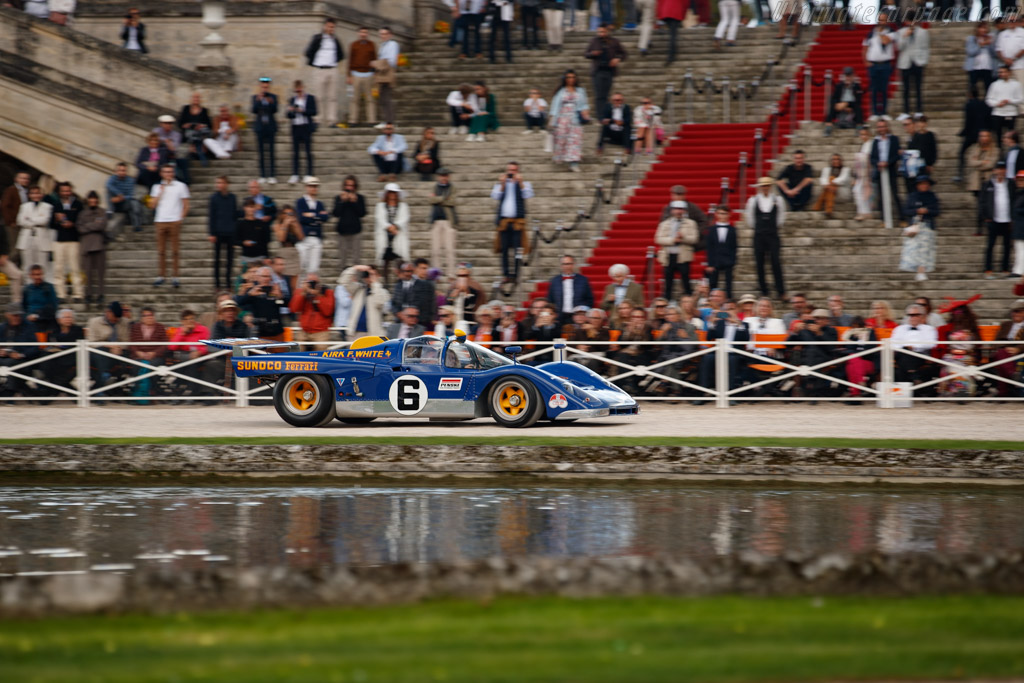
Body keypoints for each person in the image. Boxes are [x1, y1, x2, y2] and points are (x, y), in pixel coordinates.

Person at [490, 161, 534, 281]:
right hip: (504, 221)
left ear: (518, 171)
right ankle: (506, 273)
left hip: (517, 222)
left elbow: (528, 195)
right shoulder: (501, 184)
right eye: (510, 170)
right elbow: (495, 196)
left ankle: (516, 273)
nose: (511, 172)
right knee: (503, 248)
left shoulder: (524, 184)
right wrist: (503, 185)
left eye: (514, 170)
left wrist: (520, 183)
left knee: (517, 248)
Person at [745, 178, 787, 299]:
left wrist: (773, 227)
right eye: (763, 186)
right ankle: (764, 290)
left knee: (776, 262)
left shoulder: (778, 200)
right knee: (759, 263)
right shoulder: (753, 200)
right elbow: (750, 219)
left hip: (773, 234)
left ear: (770, 186)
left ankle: (781, 291)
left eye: (767, 186)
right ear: (759, 187)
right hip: (759, 235)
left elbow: (781, 217)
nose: (765, 188)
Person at [149, 163, 189, 288]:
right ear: (161, 173)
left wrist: (180, 219)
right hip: (160, 220)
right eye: (166, 172)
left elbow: (186, 205)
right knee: (161, 251)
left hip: (174, 221)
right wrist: (160, 192)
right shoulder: (156, 187)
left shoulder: (181, 186)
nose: (168, 174)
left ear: (174, 173)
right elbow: (151, 205)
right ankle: (161, 276)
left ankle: (175, 277)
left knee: (175, 251)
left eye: (170, 172)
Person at [899, 175, 941, 282]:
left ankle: (922, 271)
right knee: (913, 249)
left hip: (927, 226)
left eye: (926, 184)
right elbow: (906, 211)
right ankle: (915, 269)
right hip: (914, 225)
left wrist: (927, 211)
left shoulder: (932, 196)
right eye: (922, 184)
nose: (924, 186)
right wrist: (917, 211)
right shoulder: (912, 196)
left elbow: (937, 211)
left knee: (925, 249)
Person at [47, 181, 83, 302]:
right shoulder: (56, 204)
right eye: (63, 191)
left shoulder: (78, 204)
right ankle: (60, 294)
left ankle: (78, 293)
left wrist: (72, 224)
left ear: (71, 191)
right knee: (58, 268)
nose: (66, 193)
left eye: (68, 190)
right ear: (60, 192)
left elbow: (81, 221)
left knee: (75, 267)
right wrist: (58, 221)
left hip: (73, 240)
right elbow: (51, 223)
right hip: (59, 240)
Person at [655, 200, 699, 300]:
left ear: (684, 211)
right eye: (676, 209)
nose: (678, 211)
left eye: (680, 209)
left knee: (685, 282)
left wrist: (683, 238)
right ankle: (667, 302)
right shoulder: (664, 224)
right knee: (668, 283)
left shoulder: (691, 223)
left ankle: (688, 302)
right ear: (671, 211)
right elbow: (658, 238)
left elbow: (694, 238)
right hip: (668, 256)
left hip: (683, 256)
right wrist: (672, 240)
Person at [304, 18, 343, 127]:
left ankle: (332, 120)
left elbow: (340, 54)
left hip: (332, 69)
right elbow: (308, 52)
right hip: (319, 69)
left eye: (333, 27)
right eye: (330, 26)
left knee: (332, 97)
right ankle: (317, 119)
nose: (331, 29)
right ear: (325, 26)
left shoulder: (335, 40)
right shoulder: (317, 38)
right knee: (318, 96)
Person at [549, 70, 589, 172]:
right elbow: (555, 106)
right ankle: (558, 157)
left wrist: (585, 112)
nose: (571, 79)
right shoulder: (561, 91)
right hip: (562, 118)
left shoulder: (580, 91)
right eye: (568, 77)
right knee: (561, 139)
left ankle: (574, 163)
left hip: (575, 119)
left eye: (573, 77)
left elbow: (584, 104)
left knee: (575, 141)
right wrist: (551, 120)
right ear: (565, 79)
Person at [585, 23, 626, 119]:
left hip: (609, 71)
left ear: (607, 31)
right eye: (599, 32)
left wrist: (617, 59)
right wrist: (593, 53)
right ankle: (600, 116)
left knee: (606, 94)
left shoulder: (614, 42)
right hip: (598, 71)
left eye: (603, 31)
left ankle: (605, 114)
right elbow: (586, 54)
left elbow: (623, 54)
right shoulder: (594, 41)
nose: (601, 34)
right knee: (599, 94)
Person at [890, 303, 938, 385]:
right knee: (904, 352)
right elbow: (892, 343)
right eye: (911, 315)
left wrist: (915, 347)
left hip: (920, 355)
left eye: (916, 315)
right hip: (901, 354)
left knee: (906, 357)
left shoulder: (929, 329)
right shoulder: (900, 329)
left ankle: (908, 382)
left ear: (922, 316)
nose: (913, 317)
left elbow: (932, 343)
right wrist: (905, 347)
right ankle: (914, 376)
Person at [128, 306, 168, 401]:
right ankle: (139, 392)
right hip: (138, 356)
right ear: (142, 318)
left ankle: (152, 391)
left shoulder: (160, 327)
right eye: (146, 315)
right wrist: (138, 352)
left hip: (155, 356)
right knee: (136, 366)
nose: (149, 317)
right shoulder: (135, 327)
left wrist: (154, 353)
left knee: (153, 366)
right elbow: (131, 344)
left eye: (151, 315)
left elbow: (165, 345)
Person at [0, 302, 39, 400]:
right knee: (8, 363)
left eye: (19, 315)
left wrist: (21, 354)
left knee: (12, 364)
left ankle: (9, 393)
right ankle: (16, 390)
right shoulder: (2, 327)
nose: (17, 318)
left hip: (23, 361)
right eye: (14, 315)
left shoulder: (29, 327)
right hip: (4, 357)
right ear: (7, 315)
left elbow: (35, 348)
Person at [235, 266, 286, 340]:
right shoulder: (253, 291)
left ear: (271, 278)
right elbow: (238, 303)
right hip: (259, 332)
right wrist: (250, 295)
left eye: (268, 276)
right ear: (257, 277)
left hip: (276, 331)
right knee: (259, 352)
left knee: (281, 351)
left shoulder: (275, 290)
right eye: (263, 276)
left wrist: (280, 296)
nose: (266, 279)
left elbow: (286, 304)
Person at [982, 160, 1014, 278]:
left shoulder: (1010, 184)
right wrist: (986, 216)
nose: (1001, 171)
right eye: (999, 168)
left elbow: (1014, 199)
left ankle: (1005, 268)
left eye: (1003, 168)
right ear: (994, 170)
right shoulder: (988, 184)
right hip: (993, 219)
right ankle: (988, 269)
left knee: (1007, 246)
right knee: (990, 245)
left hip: (1007, 219)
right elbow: (982, 202)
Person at [289, 272, 335, 350]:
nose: (312, 284)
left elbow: (328, 311)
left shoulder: (327, 292)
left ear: (319, 283)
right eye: (310, 282)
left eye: (314, 282)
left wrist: (317, 296)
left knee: (321, 353)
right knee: (298, 351)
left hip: (321, 331)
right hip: (304, 330)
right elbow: (294, 309)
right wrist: (303, 293)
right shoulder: (300, 292)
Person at [76, 191, 108, 304]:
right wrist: (93, 225)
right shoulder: (82, 213)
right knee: (87, 272)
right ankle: (88, 294)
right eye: (91, 200)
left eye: (95, 199)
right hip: (86, 246)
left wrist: (88, 226)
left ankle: (100, 294)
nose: (93, 202)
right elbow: (79, 228)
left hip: (99, 245)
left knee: (100, 272)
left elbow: (101, 225)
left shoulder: (102, 212)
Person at [15, 186, 53, 282]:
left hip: (41, 239)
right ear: (30, 195)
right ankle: (29, 287)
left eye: (38, 193)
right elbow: (20, 221)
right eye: (33, 193)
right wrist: (36, 221)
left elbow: (44, 220)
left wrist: (29, 219)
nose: (36, 195)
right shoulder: (24, 206)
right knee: (27, 265)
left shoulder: (47, 206)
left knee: (43, 265)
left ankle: (43, 288)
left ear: (41, 194)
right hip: (27, 238)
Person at [339, 265, 389, 337]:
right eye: (367, 275)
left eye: (372, 274)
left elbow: (379, 303)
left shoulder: (383, 292)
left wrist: (375, 283)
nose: (369, 277)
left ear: (378, 276)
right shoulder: (358, 289)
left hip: (373, 334)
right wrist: (355, 268)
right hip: (355, 333)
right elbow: (344, 281)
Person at [956, 85, 993, 184]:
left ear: (969, 95)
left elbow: (968, 121)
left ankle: (960, 174)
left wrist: (963, 132)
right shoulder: (984, 104)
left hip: (972, 134)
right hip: (983, 133)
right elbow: (989, 119)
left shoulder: (969, 105)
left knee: (961, 152)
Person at [862, 12, 895, 119]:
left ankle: (884, 112)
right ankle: (875, 113)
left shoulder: (891, 32)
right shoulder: (871, 34)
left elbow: (885, 41)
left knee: (884, 89)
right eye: (880, 20)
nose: (882, 22)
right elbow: (865, 47)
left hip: (885, 65)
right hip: (874, 65)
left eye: (884, 20)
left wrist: (880, 32)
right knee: (874, 89)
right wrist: (866, 61)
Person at [207, 175, 237, 291]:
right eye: (217, 182)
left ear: (226, 184)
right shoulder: (214, 198)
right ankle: (217, 284)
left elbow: (235, 214)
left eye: (221, 182)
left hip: (230, 232)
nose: (219, 185)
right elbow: (211, 216)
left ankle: (228, 283)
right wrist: (211, 233)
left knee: (230, 259)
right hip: (218, 232)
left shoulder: (232, 197)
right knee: (217, 259)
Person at [428, 168, 459, 277]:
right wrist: (443, 198)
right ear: (438, 176)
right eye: (442, 175)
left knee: (449, 249)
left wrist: (438, 199)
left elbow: (453, 201)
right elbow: (430, 200)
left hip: (448, 221)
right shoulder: (435, 187)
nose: (444, 177)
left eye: (445, 175)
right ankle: (437, 273)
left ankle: (451, 272)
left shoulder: (452, 187)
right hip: (436, 220)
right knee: (435, 250)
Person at [968, 130, 999, 237]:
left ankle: (992, 228)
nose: (983, 138)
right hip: (977, 182)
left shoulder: (995, 150)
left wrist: (979, 163)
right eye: (982, 136)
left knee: (990, 205)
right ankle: (979, 228)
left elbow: (991, 164)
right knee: (979, 206)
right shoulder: (975, 148)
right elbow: (971, 162)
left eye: (986, 136)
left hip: (989, 181)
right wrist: (983, 162)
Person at [870, 118, 901, 226]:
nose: (881, 129)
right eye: (879, 127)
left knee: (895, 194)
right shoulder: (875, 141)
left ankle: (901, 218)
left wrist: (888, 162)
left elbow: (897, 154)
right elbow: (872, 157)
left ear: (887, 127)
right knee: (881, 196)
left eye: (883, 126)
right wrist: (878, 163)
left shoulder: (894, 139)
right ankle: (884, 219)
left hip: (891, 169)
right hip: (880, 170)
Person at [548, 254, 594, 326]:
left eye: (569, 264)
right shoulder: (554, 281)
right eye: (564, 264)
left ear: (573, 264)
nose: (566, 266)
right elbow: (550, 300)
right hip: (559, 317)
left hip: (577, 317)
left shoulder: (583, 280)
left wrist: (582, 313)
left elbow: (590, 299)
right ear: (561, 266)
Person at [333, 175, 367, 272]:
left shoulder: (360, 198)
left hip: (356, 231)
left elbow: (362, 213)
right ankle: (342, 282)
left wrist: (354, 202)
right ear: (344, 186)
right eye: (347, 185)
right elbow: (335, 213)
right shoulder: (338, 198)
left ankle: (358, 281)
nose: (349, 188)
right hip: (342, 231)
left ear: (355, 187)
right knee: (342, 259)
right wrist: (342, 202)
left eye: (352, 185)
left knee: (356, 259)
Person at [375, 183, 410, 275]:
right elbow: (380, 218)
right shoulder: (380, 206)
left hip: (398, 234)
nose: (392, 195)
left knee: (400, 260)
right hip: (385, 235)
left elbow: (404, 218)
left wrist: (396, 226)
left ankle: (400, 280)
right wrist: (389, 227)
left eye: (394, 193)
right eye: (390, 193)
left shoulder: (403, 206)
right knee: (385, 260)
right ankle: (386, 283)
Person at [896, 17, 929, 116]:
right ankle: (906, 111)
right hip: (905, 63)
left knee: (918, 88)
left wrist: (924, 61)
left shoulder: (923, 32)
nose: (911, 23)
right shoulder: (901, 32)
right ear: (907, 21)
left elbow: (926, 48)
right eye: (910, 20)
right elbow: (899, 47)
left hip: (918, 62)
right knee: (906, 89)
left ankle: (919, 111)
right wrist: (905, 36)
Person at [286, 80, 317, 184]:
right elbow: (288, 116)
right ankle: (295, 174)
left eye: (300, 87)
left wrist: (302, 111)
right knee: (295, 152)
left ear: (303, 87)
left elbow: (314, 111)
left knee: (308, 151)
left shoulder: (310, 98)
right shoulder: (292, 99)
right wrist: (291, 110)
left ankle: (309, 173)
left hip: (306, 127)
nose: (298, 90)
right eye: (297, 88)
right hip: (295, 127)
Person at [296, 177, 327, 276]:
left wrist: (311, 215)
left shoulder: (320, 204)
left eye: (315, 186)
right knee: (301, 266)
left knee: (313, 268)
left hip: (316, 237)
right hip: (304, 237)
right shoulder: (300, 202)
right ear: (306, 187)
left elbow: (325, 217)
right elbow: (301, 218)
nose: (314, 188)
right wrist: (317, 216)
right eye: (311, 186)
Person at [705, 206, 738, 299]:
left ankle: (729, 301)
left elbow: (734, 247)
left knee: (729, 284)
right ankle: (712, 301)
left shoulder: (732, 230)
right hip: (715, 261)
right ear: (716, 214)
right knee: (713, 283)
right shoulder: (711, 229)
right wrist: (709, 263)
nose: (722, 216)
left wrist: (732, 261)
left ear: (729, 215)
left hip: (728, 261)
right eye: (720, 213)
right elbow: (709, 247)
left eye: (724, 213)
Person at [347, 26, 377, 126]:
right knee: (354, 99)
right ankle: (353, 120)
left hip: (369, 74)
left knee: (370, 99)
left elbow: (374, 60)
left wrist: (375, 74)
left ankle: (371, 120)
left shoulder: (372, 45)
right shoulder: (354, 45)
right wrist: (349, 75)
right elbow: (350, 60)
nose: (363, 34)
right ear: (358, 33)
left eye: (365, 32)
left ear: (368, 34)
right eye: (362, 32)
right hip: (356, 74)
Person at [251, 77, 279, 184]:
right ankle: (262, 175)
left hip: (270, 127)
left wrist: (270, 102)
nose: (265, 88)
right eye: (263, 87)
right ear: (260, 87)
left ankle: (272, 175)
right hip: (260, 127)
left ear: (269, 87)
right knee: (261, 152)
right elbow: (253, 110)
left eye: (266, 87)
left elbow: (275, 109)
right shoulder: (255, 97)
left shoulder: (273, 97)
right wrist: (258, 100)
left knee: (271, 152)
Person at [391, 260, 435, 326]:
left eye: (409, 271)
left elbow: (424, 303)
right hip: (401, 322)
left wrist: (409, 314)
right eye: (405, 271)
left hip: (419, 322)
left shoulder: (424, 285)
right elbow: (394, 302)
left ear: (413, 271)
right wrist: (398, 313)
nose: (407, 274)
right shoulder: (398, 285)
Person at [986, 66, 1022, 143]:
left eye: (1004, 72)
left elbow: (1021, 99)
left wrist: (1009, 101)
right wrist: (997, 104)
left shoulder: (1016, 84)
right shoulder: (994, 84)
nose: (1002, 74)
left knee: (1011, 135)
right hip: (997, 113)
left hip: (1011, 113)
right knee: (998, 135)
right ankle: (1000, 151)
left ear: (1009, 72)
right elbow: (988, 100)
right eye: (1000, 72)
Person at [825, 67, 864, 136]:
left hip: (852, 106)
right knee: (832, 103)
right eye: (846, 76)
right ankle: (828, 125)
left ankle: (859, 126)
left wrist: (847, 104)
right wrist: (842, 106)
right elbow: (834, 98)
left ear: (853, 76)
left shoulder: (857, 86)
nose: (848, 78)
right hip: (841, 105)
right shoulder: (839, 86)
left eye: (849, 76)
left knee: (858, 107)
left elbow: (859, 100)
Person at [105, 162, 143, 233]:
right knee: (109, 191)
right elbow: (108, 185)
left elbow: (131, 195)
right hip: (113, 204)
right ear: (116, 171)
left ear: (126, 171)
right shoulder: (112, 178)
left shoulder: (130, 180)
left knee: (134, 203)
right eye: (120, 170)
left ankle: (137, 226)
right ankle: (109, 211)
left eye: (124, 170)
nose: (122, 172)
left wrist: (121, 198)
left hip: (124, 203)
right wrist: (118, 194)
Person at [374, 27, 400, 127]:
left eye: (385, 34)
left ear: (390, 35)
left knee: (386, 97)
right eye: (381, 34)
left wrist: (377, 64)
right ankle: (386, 120)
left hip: (387, 72)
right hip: (382, 72)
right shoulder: (382, 45)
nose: (383, 36)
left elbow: (391, 60)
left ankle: (390, 121)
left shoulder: (392, 44)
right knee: (382, 97)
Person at [2, 170, 30, 261]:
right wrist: (10, 221)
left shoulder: (27, 191)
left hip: (24, 223)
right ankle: (11, 268)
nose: (24, 180)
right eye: (22, 178)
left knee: (23, 247)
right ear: (16, 179)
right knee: (14, 247)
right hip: (13, 224)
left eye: (26, 178)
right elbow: (5, 206)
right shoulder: (12, 190)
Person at [811, 154, 852, 218]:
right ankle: (829, 210)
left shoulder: (846, 170)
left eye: (838, 159)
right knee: (830, 186)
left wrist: (831, 184)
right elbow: (822, 180)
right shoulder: (826, 169)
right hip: (830, 192)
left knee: (831, 180)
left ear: (841, 161)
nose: (836, 161)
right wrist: (829, 186)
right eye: (834, 159)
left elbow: (842, 179)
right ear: (831, 161)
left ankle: (818, 205)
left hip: (842, 193)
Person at [178, 93, 212, 167]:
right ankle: (202, 158)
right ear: (191, 99)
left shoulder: (204, 110)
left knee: (198, 137)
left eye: (197, 97)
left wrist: (202, 125)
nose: (196, 99)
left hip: (200, 132)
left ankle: (196, 154)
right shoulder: (186, 108)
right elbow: (180, 123)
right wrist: (187, 125)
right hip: (189, 132)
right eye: (194, 97)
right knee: (194, 137)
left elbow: (209, 125)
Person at [22, 264, 58, 332]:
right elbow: (24, 306)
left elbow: (53, 306)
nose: (37, 277)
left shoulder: (49, 288)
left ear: (43, 274)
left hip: (45, 324)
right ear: (30, 275)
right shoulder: (27, 289)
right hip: (29, 324)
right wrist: (27, 316)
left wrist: (37, 316)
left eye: (39, 274)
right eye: (34, 274)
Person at [965, 22, 997, 93]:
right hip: (974, 68)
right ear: (977, 29)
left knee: (988, 88)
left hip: (987, 67)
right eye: (981, 28)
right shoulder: (971, 39)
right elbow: (970, 52)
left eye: (985, 28)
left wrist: (991, 43)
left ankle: (987, 103)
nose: (983, 30)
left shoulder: (989, 38)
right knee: (972, 88)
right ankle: (972, 102)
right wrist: (980, 45)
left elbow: (994, 53)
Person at [237, 199, 271, 265]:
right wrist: (243, 242)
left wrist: (267, 257)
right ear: (245, 208)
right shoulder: (240, 224)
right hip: (246, 257)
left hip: (260, 257)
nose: (251, 209)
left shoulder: (262, 223)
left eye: (253, 207)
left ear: (255, 208)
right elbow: (234, 240)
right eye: (249, 207)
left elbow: (266, 242)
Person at [657, 0, 684, 66]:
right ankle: (671, 56)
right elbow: (684, 2)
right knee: (673, 34)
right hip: (675, 11)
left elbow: (659, 2)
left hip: (666, 11)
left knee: (672, 33)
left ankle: (671, 54)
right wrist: (683, 14)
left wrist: (659, 15)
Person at [1013, 170, 1024, 278]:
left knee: (1021, 248)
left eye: (1022, 180)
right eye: (1019, 180)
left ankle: (1019, 271)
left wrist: (1017, 211)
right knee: (1019, 248)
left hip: (1022, 226)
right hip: (1018, 225)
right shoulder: (1018, 193)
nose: (1020, 182)